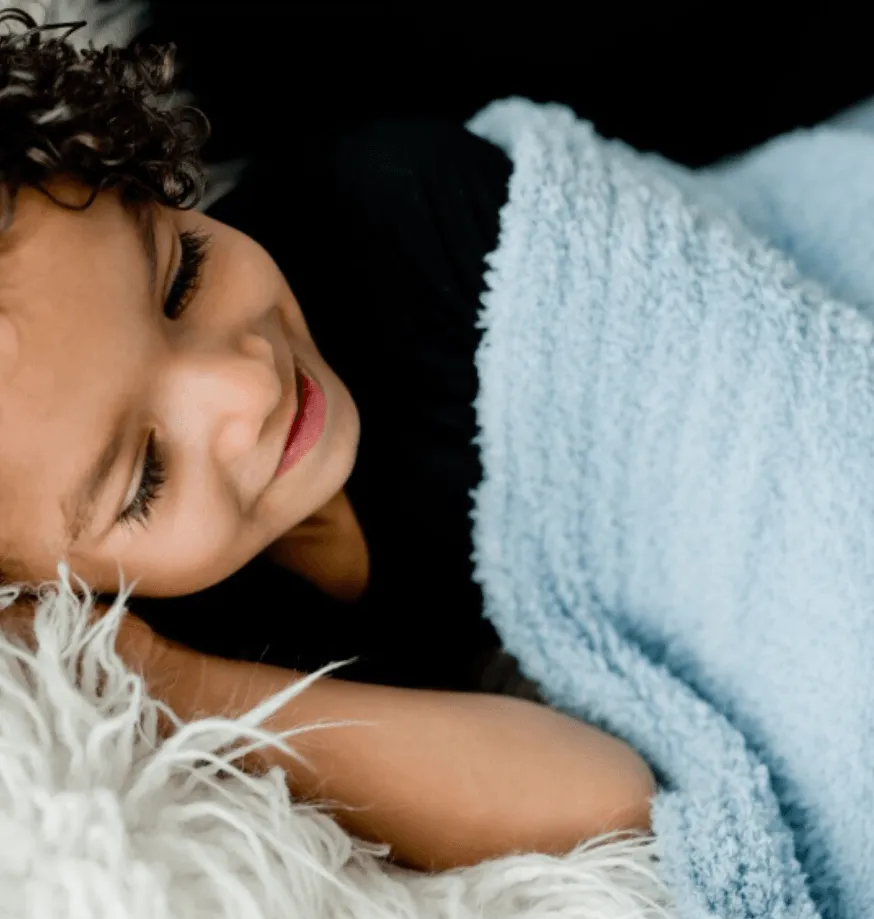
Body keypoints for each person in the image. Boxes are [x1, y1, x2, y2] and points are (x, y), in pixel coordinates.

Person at [0, 8, 655, 871]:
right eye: (145, 474)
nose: (250, 385)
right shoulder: (175, 658)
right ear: (38, 590)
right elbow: (605, 798)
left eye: (181, 276)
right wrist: (166, 681)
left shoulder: (403, 213)